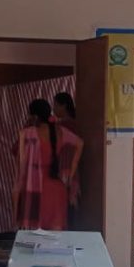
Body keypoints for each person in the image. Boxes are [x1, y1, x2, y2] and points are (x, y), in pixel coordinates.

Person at [13, 98, 83, 230]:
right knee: (56, 235)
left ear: (33, 116)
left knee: (35, 235)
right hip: (57, 188)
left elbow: (18, 157)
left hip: (35, 187)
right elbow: (80, 143)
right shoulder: (61, 131)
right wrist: (71, 172)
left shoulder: (28, 134)